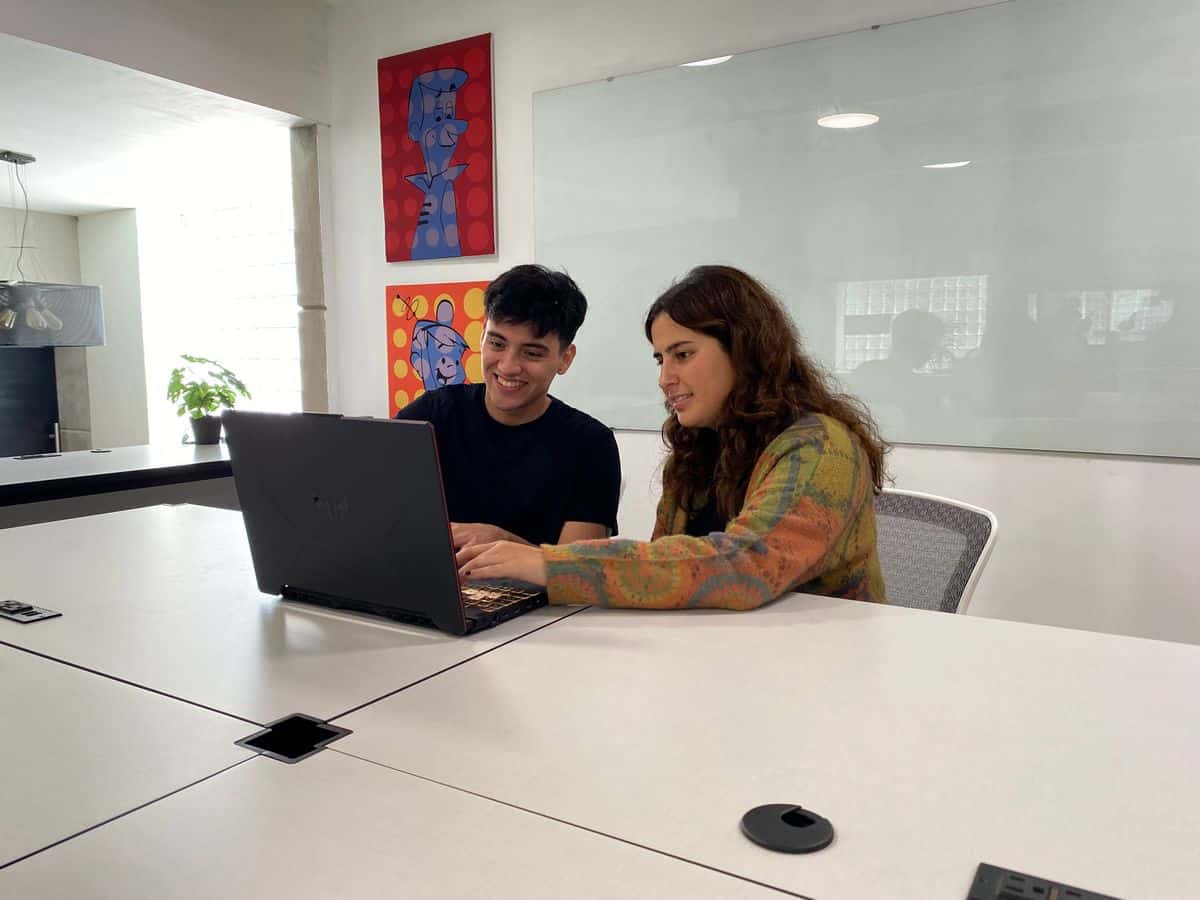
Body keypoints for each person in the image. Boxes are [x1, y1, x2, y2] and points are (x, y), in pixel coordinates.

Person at [456, 265, 888, 610]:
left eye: (683, 354)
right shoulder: (697, 447)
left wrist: (546, 564)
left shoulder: (822, 448)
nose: (665, 378)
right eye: (660, 359)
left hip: (822, 666)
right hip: (719, 657)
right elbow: (667, 563)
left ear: (744, 350)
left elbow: (747, 567)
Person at [394, 264, 621, 549]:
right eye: (497, 344)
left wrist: (502, 542)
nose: (508, 366)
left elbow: (578, 570)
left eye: (532, 353)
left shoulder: (590, 445)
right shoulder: (430, 417)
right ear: (482, 337)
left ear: (565, 359)